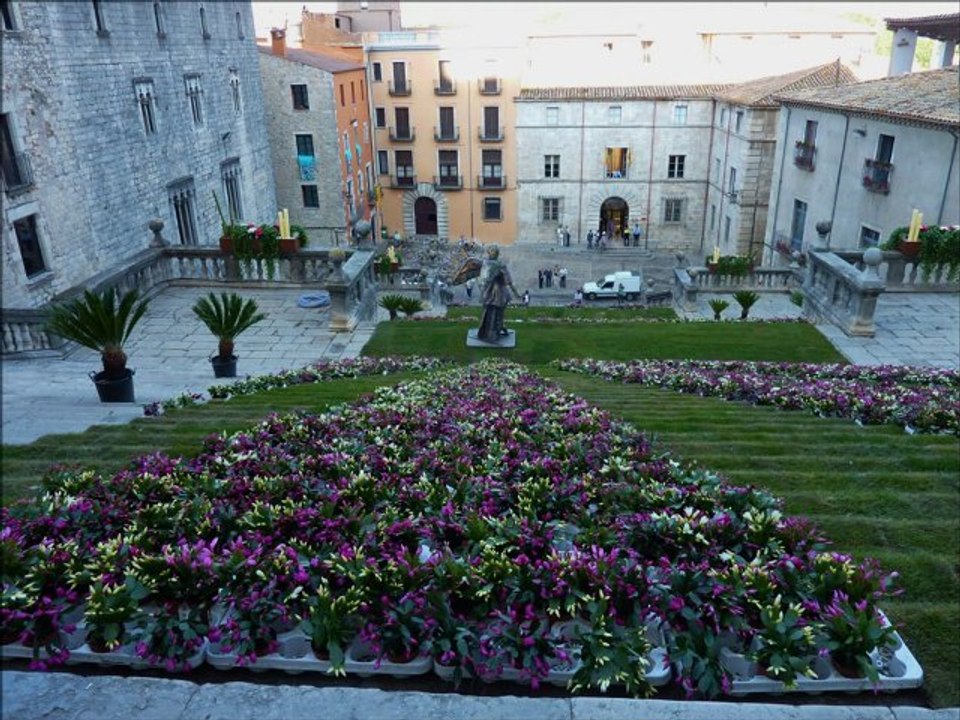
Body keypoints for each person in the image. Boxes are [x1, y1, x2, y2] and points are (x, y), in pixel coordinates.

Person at [477, 245, 520, 343]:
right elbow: (508, 281)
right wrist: (516, 293)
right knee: (496, 313)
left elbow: (507, 281)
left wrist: (516, 293)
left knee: (490, 312)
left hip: (492, 293)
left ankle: (490, 332)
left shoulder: (488, 264)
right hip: (498, 292)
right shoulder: (498, 264)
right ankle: (492, 333)